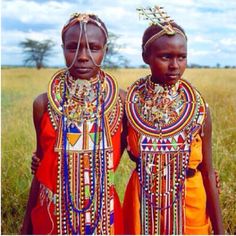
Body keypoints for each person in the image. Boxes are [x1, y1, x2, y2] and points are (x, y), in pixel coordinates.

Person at [21, 12, 126, 235]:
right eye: (72, 48)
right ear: (62, 49)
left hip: (105, 215)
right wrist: (26, 228)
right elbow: (41, 169)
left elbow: (137, 152)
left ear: (105, 50)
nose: (83, 57)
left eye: (94, 48)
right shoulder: (44, 103)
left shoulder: (122, 102)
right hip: (52, 216)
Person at [123, 6, 224, 235]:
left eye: (182, 57)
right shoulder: (130, 105)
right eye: (165, 56)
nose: (175, 65)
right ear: (145, 57)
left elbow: (208, 172)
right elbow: (108, 155)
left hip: (191, 201)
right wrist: (44, 160)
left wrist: (220, 231)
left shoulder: (198, 109)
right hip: (143, 201)